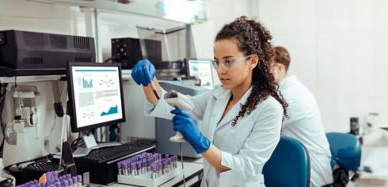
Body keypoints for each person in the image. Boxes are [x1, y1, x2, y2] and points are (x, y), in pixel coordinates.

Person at [131, 16, 288, 187]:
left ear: (252, 61)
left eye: (228, 61)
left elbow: (244, 169)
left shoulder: (270, 109)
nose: (220, 70)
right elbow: (170, 104)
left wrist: (200, 142)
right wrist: (149, 81)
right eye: (217, 62)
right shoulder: (218, 95)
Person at [271, 46, 333, 186]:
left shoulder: (289, 96)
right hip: (302, 170)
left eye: (265, 67)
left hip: (312, 177)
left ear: (279, 68)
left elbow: (258, 130)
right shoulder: (291, 90)